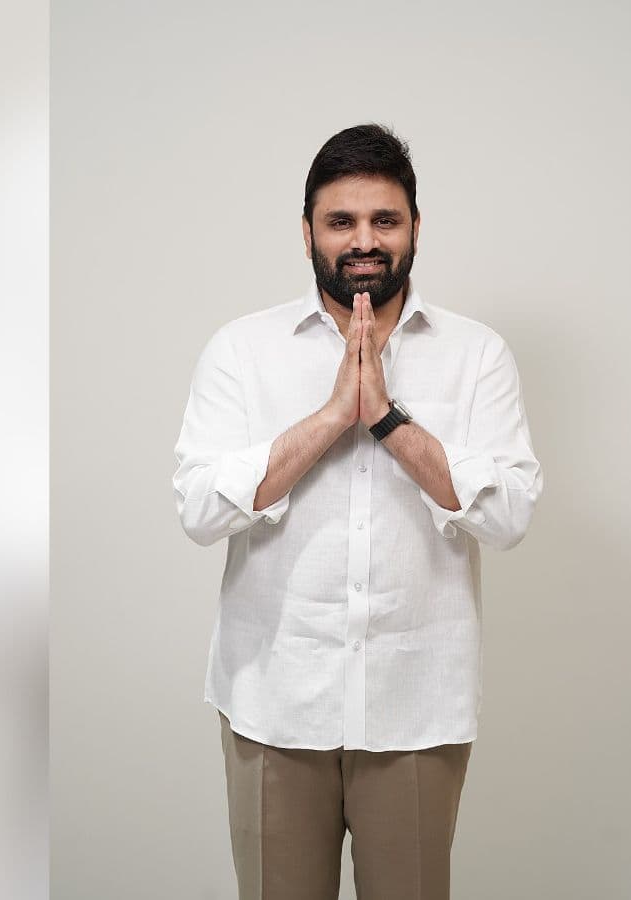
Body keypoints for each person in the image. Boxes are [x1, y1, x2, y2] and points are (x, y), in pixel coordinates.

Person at [172, 123, 543, 900]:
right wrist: (330, 417)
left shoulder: (477, 356)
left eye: (385, 220)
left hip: (416, 710)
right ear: (307, 231)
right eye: (342, 221)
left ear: (414, 228)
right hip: (272, 702)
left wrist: (387, 421)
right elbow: (201, 510)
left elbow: (507, 516)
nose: (363, 241)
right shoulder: (241, 351)